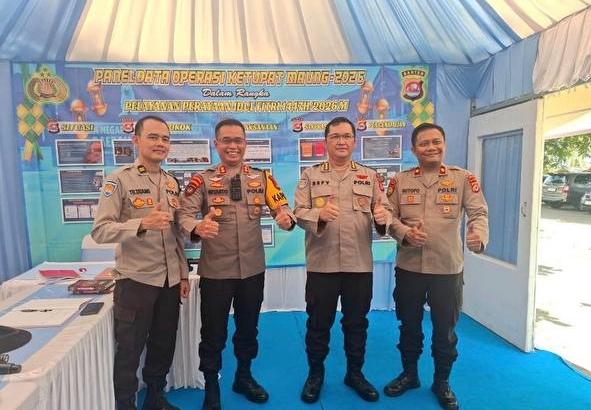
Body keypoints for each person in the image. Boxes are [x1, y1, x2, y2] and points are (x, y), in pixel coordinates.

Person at [178, 118, 296, 410]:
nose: (233, 146)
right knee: (213, 333)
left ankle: (243, 377)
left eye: (238, 140)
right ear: (216, 144)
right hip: (216, 272)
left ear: (245, 144)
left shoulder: (262, 178)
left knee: (248, 329)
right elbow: (183, 215)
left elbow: (282, 207)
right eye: (226, 140)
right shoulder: (202, 180)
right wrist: (197, 227)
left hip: (252, 270)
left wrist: (286, 218)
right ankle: (211, 386)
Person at [384, 122, 488, 410]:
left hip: (447, 269)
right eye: (424, 143)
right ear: (413, 149)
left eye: (436, 142)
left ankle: (442, 382)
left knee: (445, 331)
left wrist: (479, 235)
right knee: (409, 326)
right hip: (409, 269)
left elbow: (479, 212)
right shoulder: (400, 181)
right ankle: (409, 375)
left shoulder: (463, 179)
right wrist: (404, 233)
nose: (431, 147)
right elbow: (386, 215)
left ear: (444, 144)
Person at [92, 115, 190, 410]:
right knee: (129, 351)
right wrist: (141, 224)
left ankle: (155, 399)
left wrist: (183, 274)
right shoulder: (118, 180)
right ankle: (126, 405)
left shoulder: (171, 183)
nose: (161, 143)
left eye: (166, 139)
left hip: (169, 282)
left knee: (163, 344)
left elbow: (176, 234)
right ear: (136, 140)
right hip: (135, 281)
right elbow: (100, 231)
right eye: (153, 137)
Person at [294, 116, 392, 404]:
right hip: (322, 265)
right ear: (326, 141)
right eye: (335, 136)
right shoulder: (310, 175)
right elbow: (298, 212)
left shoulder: (369, 176)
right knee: (318, 323)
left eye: (346, 136)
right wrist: (319, 215)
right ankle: (315, 374)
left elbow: (384, 211)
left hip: (358, 265)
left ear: (354, 140)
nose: (341, 141)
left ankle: (355, 373)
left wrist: (382, 218)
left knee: (357, 323)